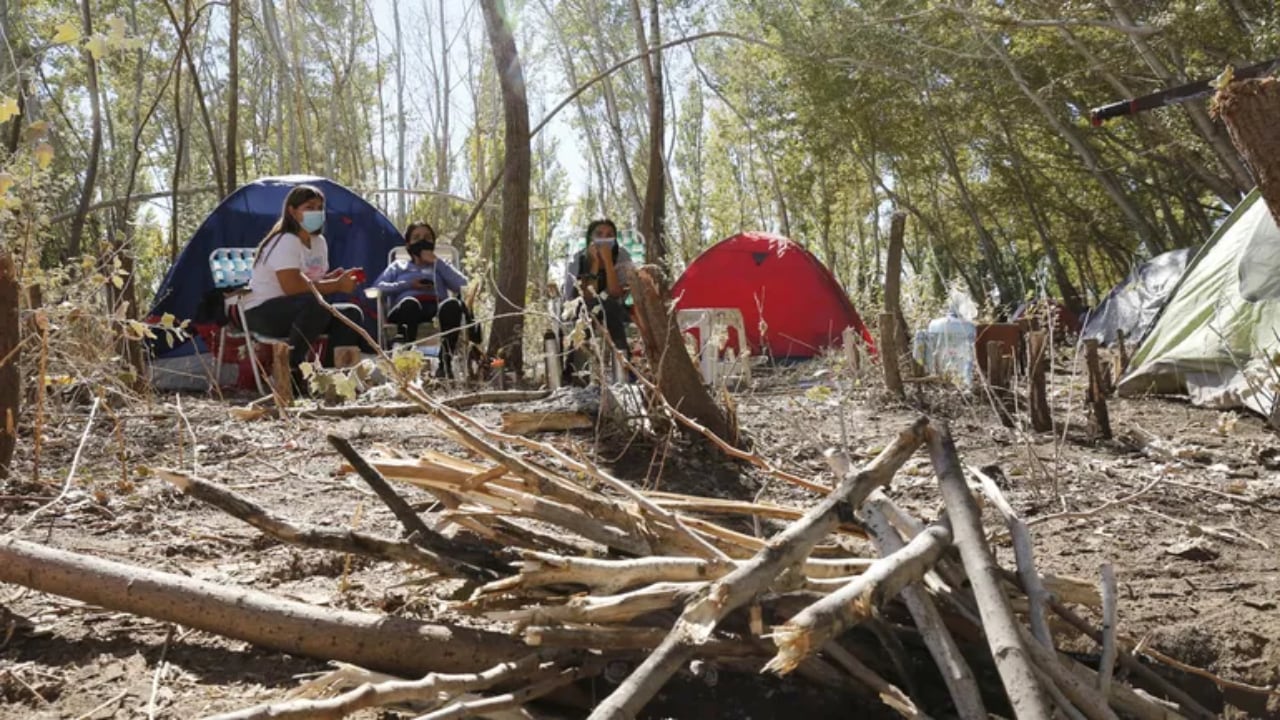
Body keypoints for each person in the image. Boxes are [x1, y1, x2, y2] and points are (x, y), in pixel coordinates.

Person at [241, 184, 371, 382]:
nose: (316, 212)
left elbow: (310, 283)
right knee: (316, 304)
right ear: (292, 211)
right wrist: (336, 285)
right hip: (262, 312)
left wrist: (333, 279)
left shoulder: (319, 242)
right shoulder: (285, 240)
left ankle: (330, 378)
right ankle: (292, 372)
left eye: (320, 208)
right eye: (309, 207)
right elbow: (292, 287)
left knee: (351, 313)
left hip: (300, 309)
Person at [371, 221, 470, 378]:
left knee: (452, 305)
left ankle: (444, 365)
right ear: (408, 244)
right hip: (405, 310)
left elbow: (464, 286)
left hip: (435, 310)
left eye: (427, 237)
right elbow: (378, 287)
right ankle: (406, 362)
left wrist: (437, 263)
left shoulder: (440, 265)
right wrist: (408, 284)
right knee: (411, 304)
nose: (422, 241)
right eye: (416, 238)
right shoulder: (398, 266)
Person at [560, 219, 634, 378]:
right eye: (599, 234)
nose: (604, 238)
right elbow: (583, 296)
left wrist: (607, 261)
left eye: (609, 235)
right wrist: (594, 263)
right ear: (590, 238)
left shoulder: (622, 256)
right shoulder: (579, 259)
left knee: (610, 307)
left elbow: (616, 293)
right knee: (585, 315)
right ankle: (578, 373)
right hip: (584, 308)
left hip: (615, 309)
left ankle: (624, 370)